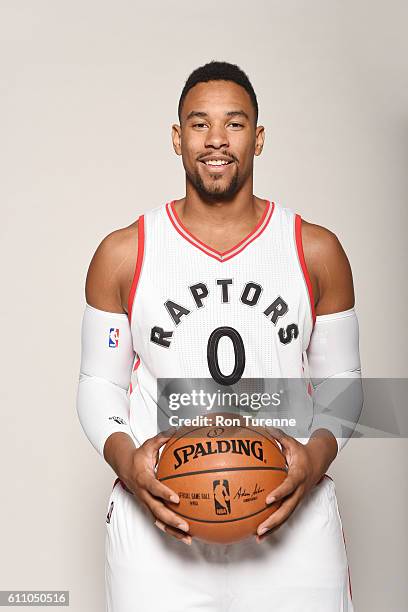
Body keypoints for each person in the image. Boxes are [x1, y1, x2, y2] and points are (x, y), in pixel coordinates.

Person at [77, 61, 362, 611]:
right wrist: (129, 466)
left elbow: (346, 385)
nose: (216, 140)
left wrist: (316, 457)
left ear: (258, 137)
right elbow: (96, 385)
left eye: (234, 124)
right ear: (177, 137)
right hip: (159, 524)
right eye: (198, 123)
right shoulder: (124, 253)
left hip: (290, 519)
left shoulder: (316, 250)